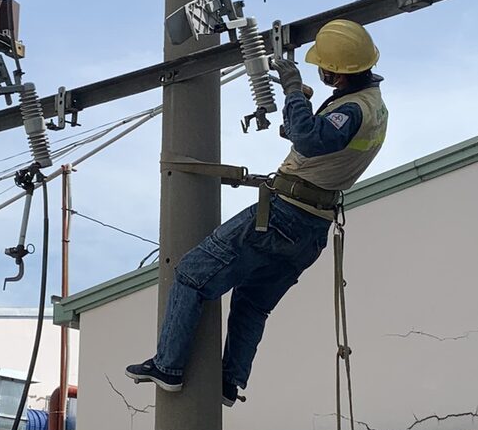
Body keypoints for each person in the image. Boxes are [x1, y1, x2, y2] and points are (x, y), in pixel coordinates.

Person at [127, 20, 388, 404]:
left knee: (191, 274)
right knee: (251, 303)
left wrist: (294, 90)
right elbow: (326, 143)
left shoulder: (352, 109)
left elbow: (313, 139)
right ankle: (228, 381)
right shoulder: (375, 106)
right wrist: (298, 119)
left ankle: (168, 366)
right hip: (312, 230)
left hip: (284, 215)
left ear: (335, 71)